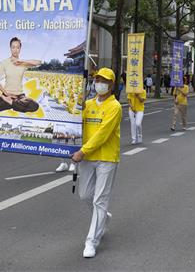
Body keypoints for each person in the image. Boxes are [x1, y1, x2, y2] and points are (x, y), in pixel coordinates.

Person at [71, 68, 122, 258]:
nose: (100, 83)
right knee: (85, 196)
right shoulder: (88, 104)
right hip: (86, 158)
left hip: (106, 158)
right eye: (97, 79)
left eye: (104, 81)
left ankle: (91, 241)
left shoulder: (115, 106)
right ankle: (103, 217)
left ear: (111, 85)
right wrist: (77, 106)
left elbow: (102, 134)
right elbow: (76, 125)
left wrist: (82, 151)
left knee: (100, 200)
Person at [0, 37, 41, 113]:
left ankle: (11, 103)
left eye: (18, 47)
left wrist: (22, 61)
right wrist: (6, 94)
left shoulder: (23, 64)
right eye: (13, 47)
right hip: (6, 95)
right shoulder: (4, 62)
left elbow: (38, 63)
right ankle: (17, 105)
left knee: (35, 106)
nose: (15, 50)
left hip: (20, 96)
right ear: (10, 48)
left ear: (20, 49)